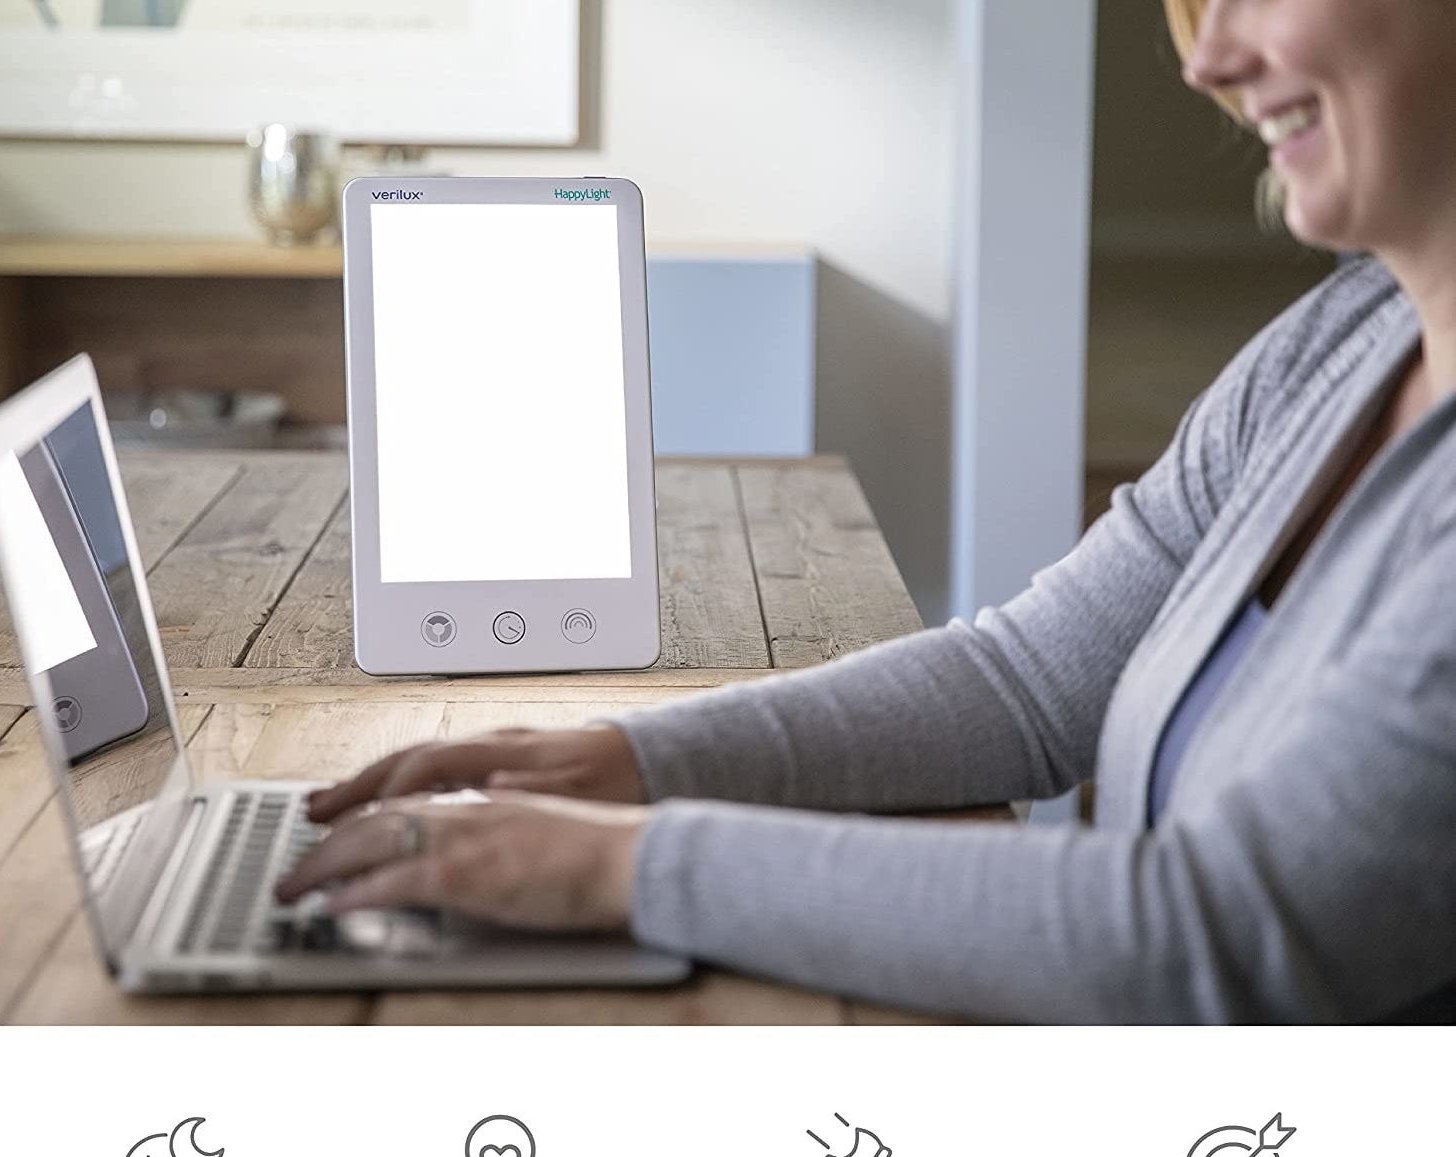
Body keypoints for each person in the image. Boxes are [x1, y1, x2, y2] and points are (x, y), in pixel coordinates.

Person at [277, 0, 1456, 1023]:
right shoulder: (1340, 341)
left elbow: (1215, 936)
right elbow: (1033, 680)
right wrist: (627, 760)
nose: (1209, 62)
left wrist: (619, 866)